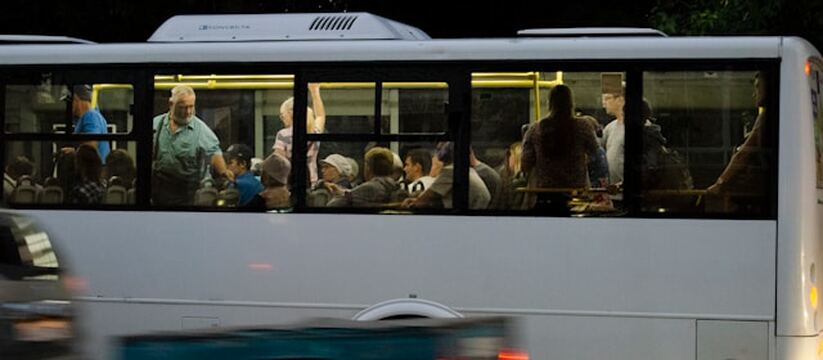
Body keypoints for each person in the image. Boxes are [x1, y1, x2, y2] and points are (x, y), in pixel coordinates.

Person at [521, 85, 599, 213]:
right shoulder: (583, 126)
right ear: (571, 103)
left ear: (549, 103)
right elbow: (595, 152)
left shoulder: (535, 129)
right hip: (576, 194)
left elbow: (525, 164)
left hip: (544, 195)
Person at [152, 85, 233, 206]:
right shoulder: (156, 124)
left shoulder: (201, 130)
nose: (188, 112)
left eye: (191, 106)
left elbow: (214, 152)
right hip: (158, 189)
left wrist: (224, 173)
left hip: (185, 193)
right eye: (183, 107)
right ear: (171, 104)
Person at [707, 71, 770, 196]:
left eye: (758, 87)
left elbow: (744, 154)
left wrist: (720, 183)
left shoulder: (767, 116)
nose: (754, 94)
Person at [402, 142, 490, 210]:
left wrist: (414, 202)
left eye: (440, 149)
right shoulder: (465, 169)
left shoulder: (450, 171)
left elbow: (429, 195)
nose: (437, 153)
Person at [273, 83, 326, 183]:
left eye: (282, 115)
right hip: (311, 180)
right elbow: (320, 116)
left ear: (290, 113)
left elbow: (279, 161)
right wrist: (315, 91)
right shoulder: (314, 132)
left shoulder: (283, 134)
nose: (282, 119)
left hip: (292, 181)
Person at [327, 147, 403, 207]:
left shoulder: (371, 187)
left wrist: (340, 196)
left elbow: (333, 205)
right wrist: (342, 192)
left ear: (368, 168)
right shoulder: (394, 186)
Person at [64, 84, 111, 162]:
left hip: (93, 172)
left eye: (68, 102)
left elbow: (90, 148)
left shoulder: (90, 116)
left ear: (75, 98)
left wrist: (72, 153)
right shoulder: (91, 116)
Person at [601, 85, 625, 185]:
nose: (603, 104)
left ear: (620, 99)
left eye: (607, 98)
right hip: (612, 192)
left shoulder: (641, 127)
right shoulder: (609, 128)